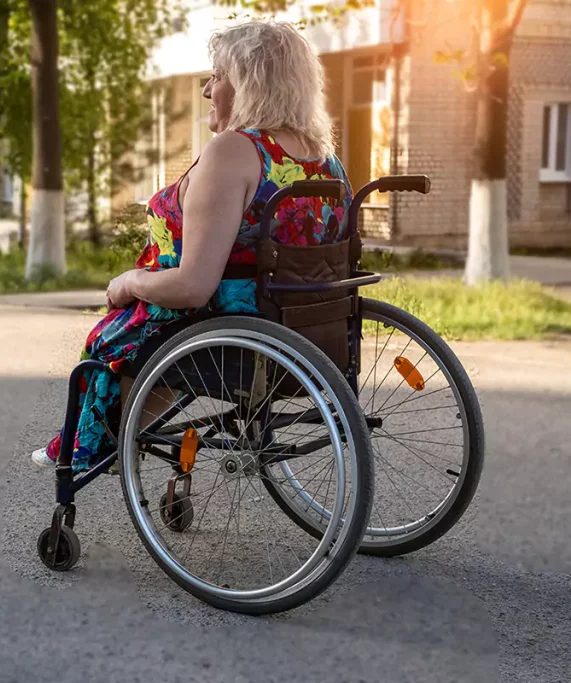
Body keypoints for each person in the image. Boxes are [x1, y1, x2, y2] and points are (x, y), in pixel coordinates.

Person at [31, 19, 351, 470]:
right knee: (143, 332)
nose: (207, 90)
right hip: (307, 321)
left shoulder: (234, 151)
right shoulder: (325, 158)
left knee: (111, 340)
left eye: (217, 76)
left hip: (229, 325)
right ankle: (123, 437)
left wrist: (131, 280)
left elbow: (193, 287)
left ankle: (95, 444)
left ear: (248, 83)